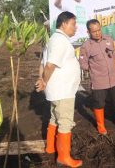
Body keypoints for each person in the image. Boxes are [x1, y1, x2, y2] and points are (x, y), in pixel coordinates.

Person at [35, 11, 82, 167]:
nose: (75, 27)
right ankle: (63, 157)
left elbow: (42, 63)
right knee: (65, 122)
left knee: (55, 118)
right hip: (63, 90)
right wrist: (43, 81)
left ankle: (50, 148)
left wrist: (42, 80)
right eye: (73, 24)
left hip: (58, 89)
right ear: (64, 24)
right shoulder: (60, 41)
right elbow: (49, 65)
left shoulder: (53, 40)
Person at [79, 19, 115, 137]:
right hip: (98, 81)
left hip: (114, 78)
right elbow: (84, 65)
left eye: (99, 30)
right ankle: (101, 126)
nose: (97, 33)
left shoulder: (108, 39)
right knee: (99, 103)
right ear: (88, 32)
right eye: (94, 31)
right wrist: (95, 71)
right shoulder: (85, 46)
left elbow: (114, 56)